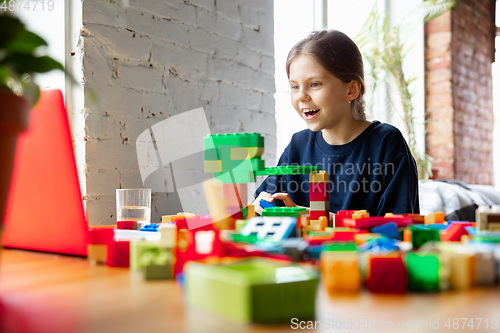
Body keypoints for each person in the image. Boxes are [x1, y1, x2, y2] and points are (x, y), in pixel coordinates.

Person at [253, 30, 419, 220]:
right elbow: (261, 205)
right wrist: (261, 204)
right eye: (294, 87)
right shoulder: (298, 145)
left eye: (314, 84)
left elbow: (400, 228)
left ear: (351, 90)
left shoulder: (386, 143)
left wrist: (325, 220)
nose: (301, 96)